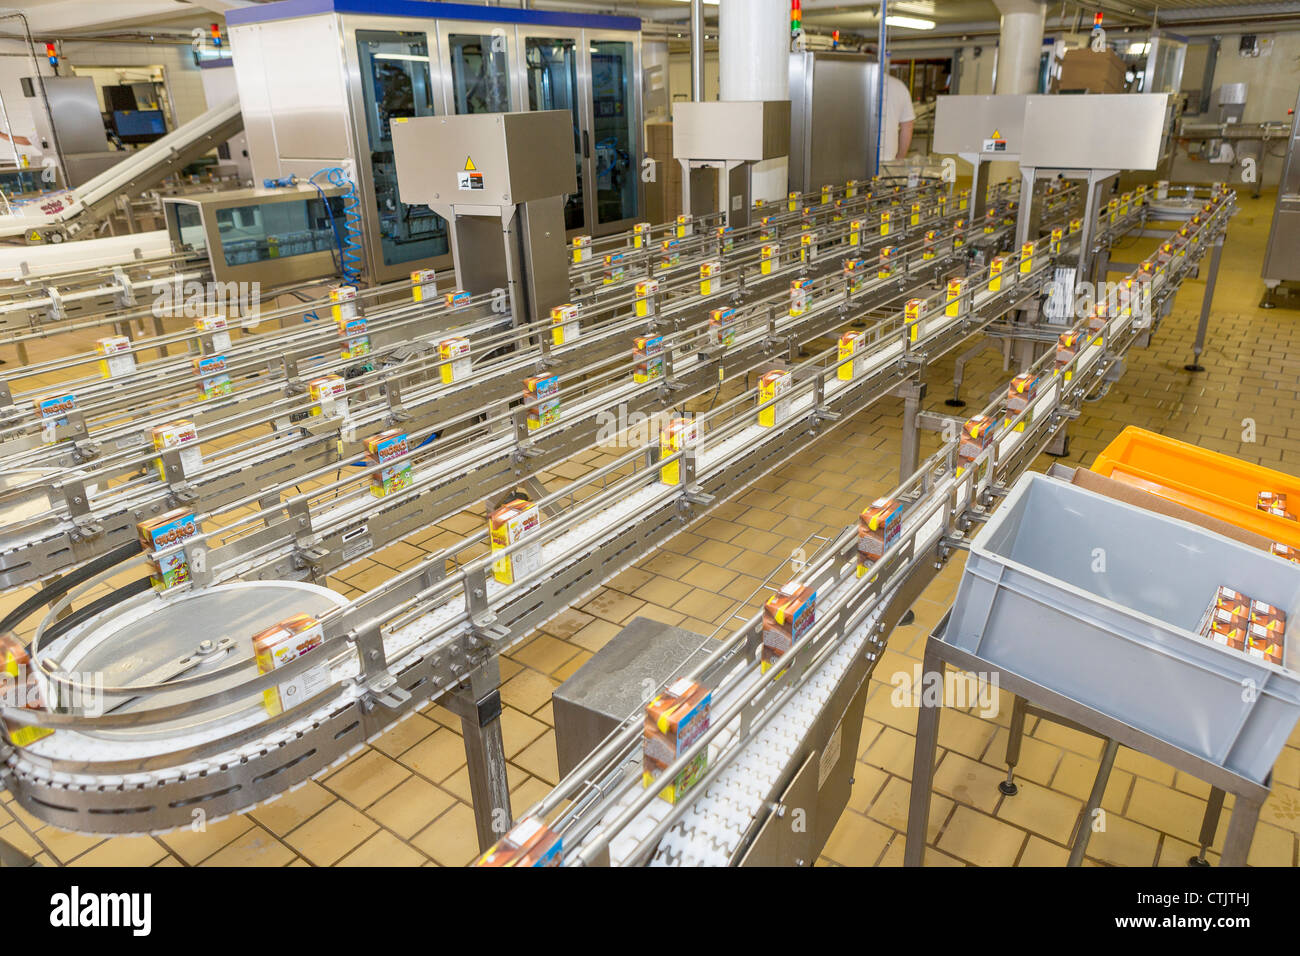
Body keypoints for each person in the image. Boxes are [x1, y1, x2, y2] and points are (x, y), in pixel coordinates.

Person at [878, 71, 916, 163]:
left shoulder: (850, 83)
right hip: (887, 160)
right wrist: (899, 159)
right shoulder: (899, 87)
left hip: (852, 161)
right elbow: (908, 127)